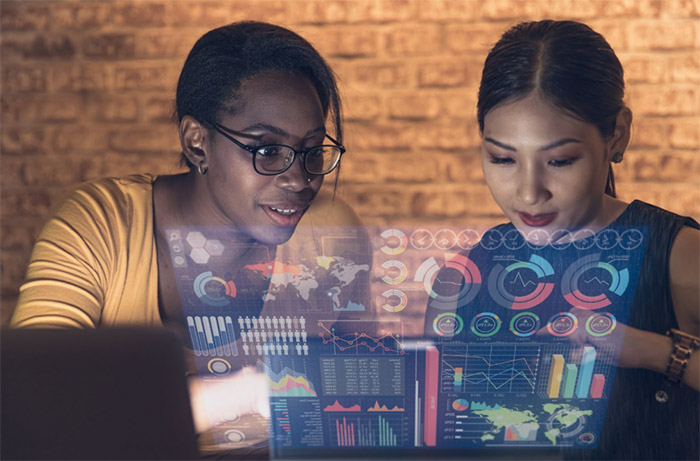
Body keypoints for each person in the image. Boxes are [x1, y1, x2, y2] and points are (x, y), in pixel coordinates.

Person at [10, 21, 367, 456]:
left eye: (313, 151)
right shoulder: (103, 223)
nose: (299, 178)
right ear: (197, 143)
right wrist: (244, 394)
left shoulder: (329, 241)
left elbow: (360, 398)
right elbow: (34, 401)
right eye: (266, 149)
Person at [468, 19, 698, 460]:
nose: (529, 192)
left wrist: (656, 352)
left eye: (559, 160)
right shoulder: (482, 260)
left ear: (617, 135)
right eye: (502, 158)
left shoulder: (679, 254)